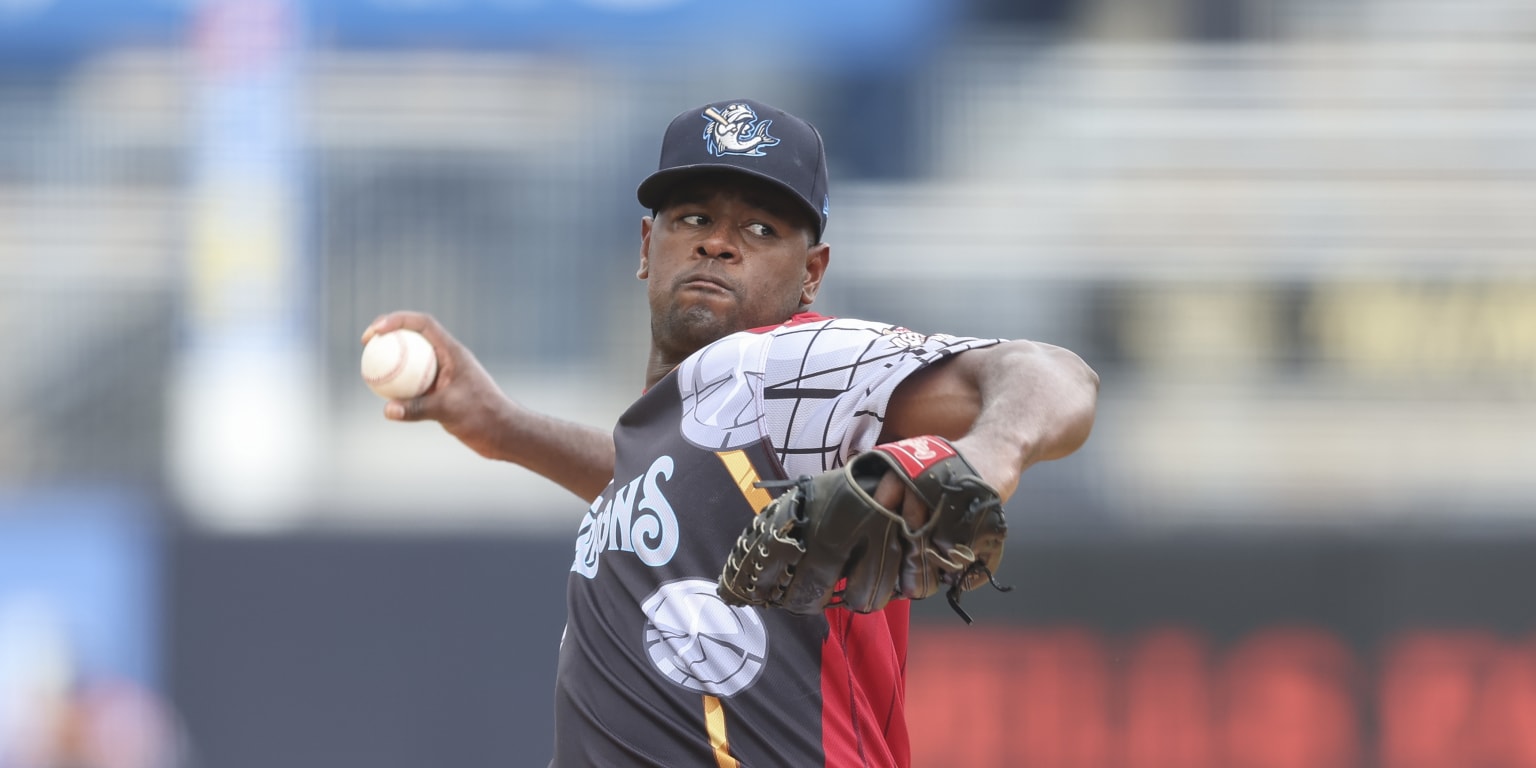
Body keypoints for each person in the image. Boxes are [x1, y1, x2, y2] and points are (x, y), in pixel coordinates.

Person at [363, 98, 1098, 768]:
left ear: (811, 273)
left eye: (759, 228)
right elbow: (677, 487)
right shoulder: (695, 419)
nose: (718, 243)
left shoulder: (787, 363)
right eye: (693, 218)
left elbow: (1052, 374)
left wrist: (986, 457)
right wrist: (504, 427)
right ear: (648, 245)